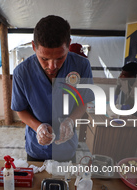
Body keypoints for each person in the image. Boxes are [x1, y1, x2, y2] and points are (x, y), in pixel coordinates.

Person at [11, 15, 94, 162]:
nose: (52, 67)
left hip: (67, 148)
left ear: (69, 44)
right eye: (44, 59)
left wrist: (70, 121)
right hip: (37, 148)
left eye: (60, 57)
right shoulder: (21, 72)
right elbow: (20, 109)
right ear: (34, 47)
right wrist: (38, 127)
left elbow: (83, 101)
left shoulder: (81, 66)